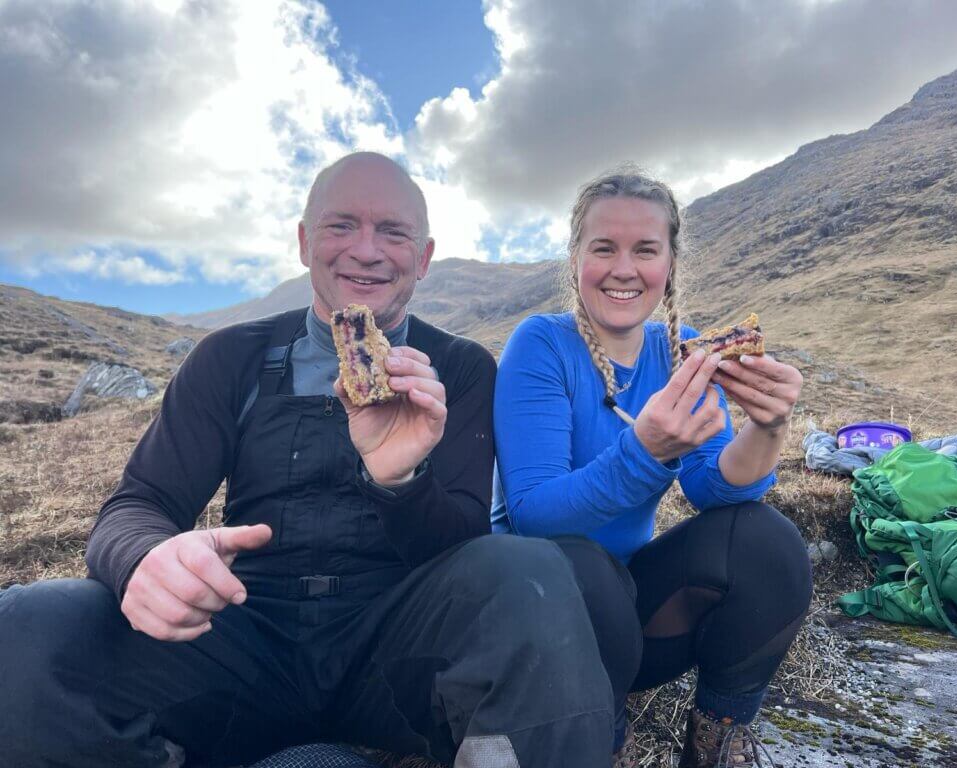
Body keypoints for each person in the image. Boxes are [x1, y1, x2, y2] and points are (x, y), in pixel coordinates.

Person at [0, 153, 636, 768]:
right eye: (341, 226)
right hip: (239, 638)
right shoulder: (231, 357)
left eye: (392, 232)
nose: (366, 250)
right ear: (305, 242)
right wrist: (145, 559)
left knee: (528, 570)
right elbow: (138, 505)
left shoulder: (461, 368)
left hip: (397, 659)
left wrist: (400, 479)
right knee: (26, 625)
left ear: (423, 259)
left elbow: (466, 547)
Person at [492, 167, 814, 768]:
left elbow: (712, 489)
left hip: (632, 614)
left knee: (765, 542)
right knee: (581, 566)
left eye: (645, 249)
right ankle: (602, 745)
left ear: (669, 265)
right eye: (603, 247)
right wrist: (645, 452)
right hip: (538, 618)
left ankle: (717, 741)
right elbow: (534, 516)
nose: (624, 268)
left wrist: (767, 427)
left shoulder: (682, 351)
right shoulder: (540, 345)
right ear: (575, 260)